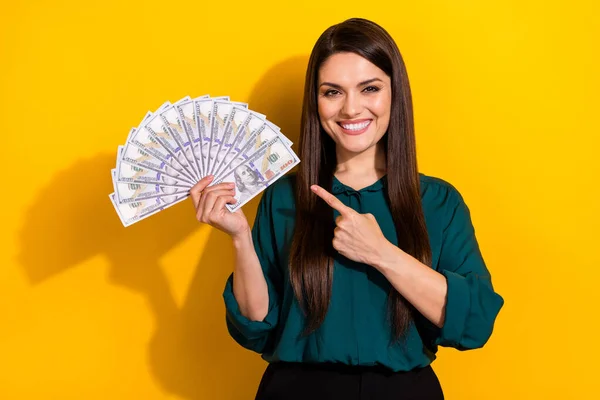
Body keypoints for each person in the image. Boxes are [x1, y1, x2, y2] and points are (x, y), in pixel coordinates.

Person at [190, 17, 504, 400]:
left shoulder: (439, 202)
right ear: (315, 101)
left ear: (394, 94)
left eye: (369, 88)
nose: (351, 109)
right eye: (332, 92)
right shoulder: (284, 197)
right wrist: (240, 238)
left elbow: (474, 323)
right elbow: (256, 324)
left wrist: (381, 253)